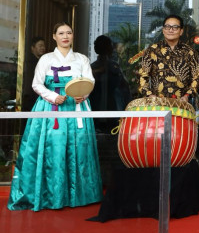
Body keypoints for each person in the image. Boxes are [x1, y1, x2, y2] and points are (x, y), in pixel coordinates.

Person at [8, 22, 102, 211]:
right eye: (61, 33)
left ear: (73, 36)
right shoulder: (46, 59)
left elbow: (89, 81)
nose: (65, 36)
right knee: (53, 149)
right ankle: (50, 195)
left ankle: (79, 195)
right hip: (51, 107)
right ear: (54, 36)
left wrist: (82, 95)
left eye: (69, 32)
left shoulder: (81, 59)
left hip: (76, 106)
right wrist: (52, 96)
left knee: (79, 148)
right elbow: (37, 84)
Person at [138, 14, 199, 106]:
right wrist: (149, 95)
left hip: (182, 105)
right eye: (167, 27)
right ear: (163, 30)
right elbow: (143, 76)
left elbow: (197, 77)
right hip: (157, 105)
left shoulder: (190, 52)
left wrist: (188, 95)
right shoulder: (152, 50)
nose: (171, 30)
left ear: (181, 31)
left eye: (175, 27)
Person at [90, 35, 130, 133]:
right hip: (107, 108)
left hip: (110, 108)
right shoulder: (112, 66)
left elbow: (124, 87)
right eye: (110, 46)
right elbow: (125, 87)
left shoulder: (93, 67)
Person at [21, 36, 46, 111]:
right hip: (30, 98)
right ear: (33, 48)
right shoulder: (28, 63)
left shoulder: (43, 61)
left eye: (44, 46)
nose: (43, 48)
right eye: (40, 45)